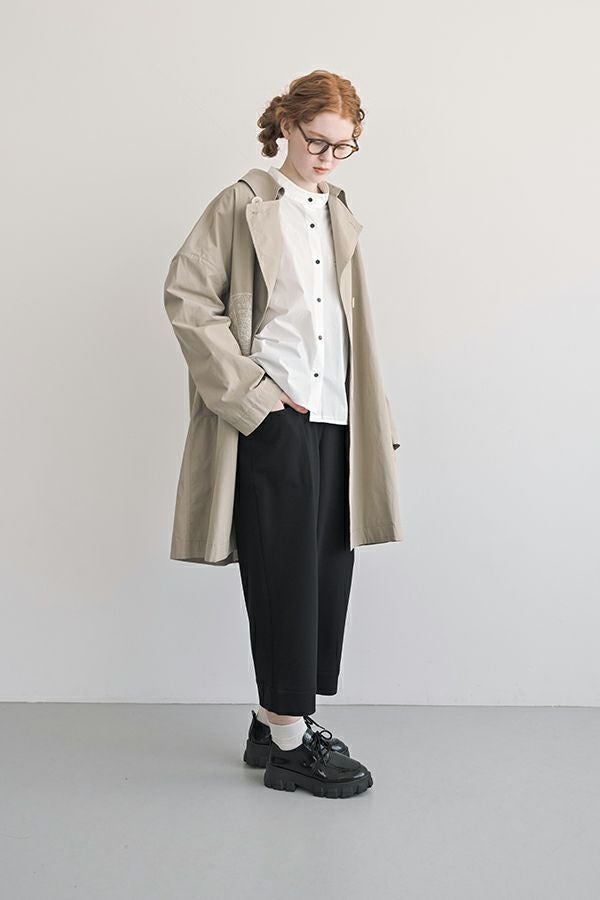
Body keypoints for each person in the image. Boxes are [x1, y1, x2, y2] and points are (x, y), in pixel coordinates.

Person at [164, 70, 403, 799]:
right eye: (317, 141)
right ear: (287, 127)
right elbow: (187, 296)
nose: (328, 157)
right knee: (283, 575)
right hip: (272, 416)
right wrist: (255, 395)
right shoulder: (243, 204)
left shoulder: (339, 211)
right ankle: (292, 746)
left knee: (325, 573)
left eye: (344, 146)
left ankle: (275, 723)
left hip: (336, 415)